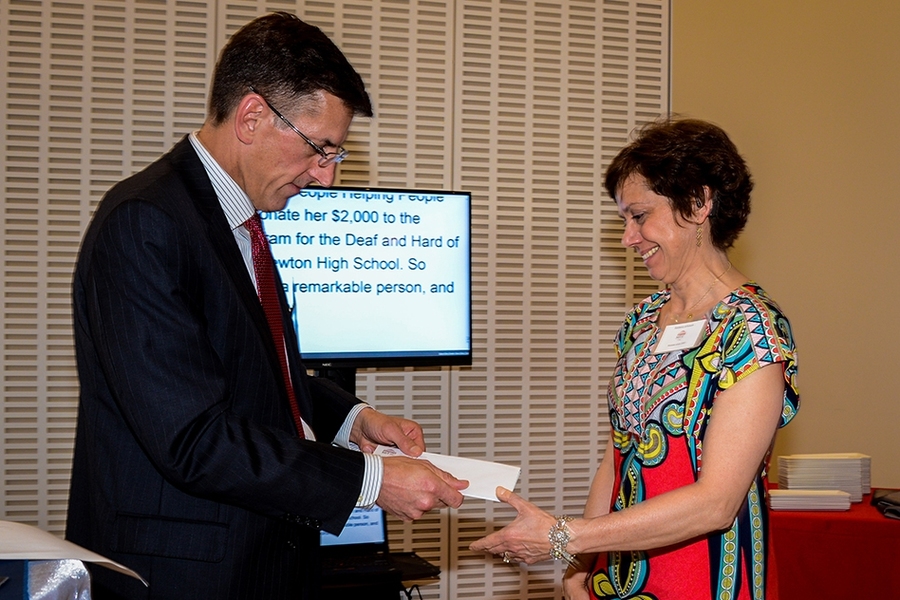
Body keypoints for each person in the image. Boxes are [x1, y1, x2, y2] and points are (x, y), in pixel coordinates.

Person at [65, 12, 466, 600]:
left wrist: (352, 419)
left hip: (256, 558)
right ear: (253, 116)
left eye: (336, 155)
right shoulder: (146, 223)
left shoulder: (238, 218)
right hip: (182, 573)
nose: (325, 178)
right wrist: (369, 480)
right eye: (319, 149)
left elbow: (253, 366)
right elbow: (192, 437)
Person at [470, 118, 799, 600]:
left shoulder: (753, 329)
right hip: (617, 574)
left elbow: (717, 503)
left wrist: (563, 537)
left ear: (699, 202)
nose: (628, 237)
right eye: (624, 219)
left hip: (705, 579)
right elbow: (617, 457)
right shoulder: (643, 321)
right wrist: (577, 567)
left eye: (640, 216)